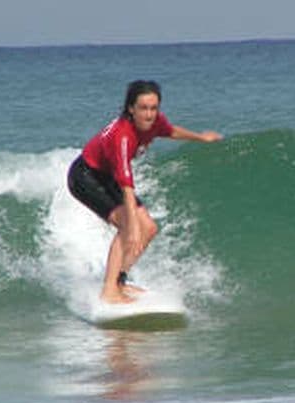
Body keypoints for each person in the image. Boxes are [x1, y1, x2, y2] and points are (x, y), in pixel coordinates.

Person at [67, 80, 223, 303]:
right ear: (131, 108)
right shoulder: (123, 136)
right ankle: (109, 291)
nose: (149, 115)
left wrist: (200, 137)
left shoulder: (154, 122)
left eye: (154, 108)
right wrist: (131, 227)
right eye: (143, 108)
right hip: (85, 177)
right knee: (128, 225)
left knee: (148, 228)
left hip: (107, 176)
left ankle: (119, 281)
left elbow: (170, 131)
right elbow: (127, 187)